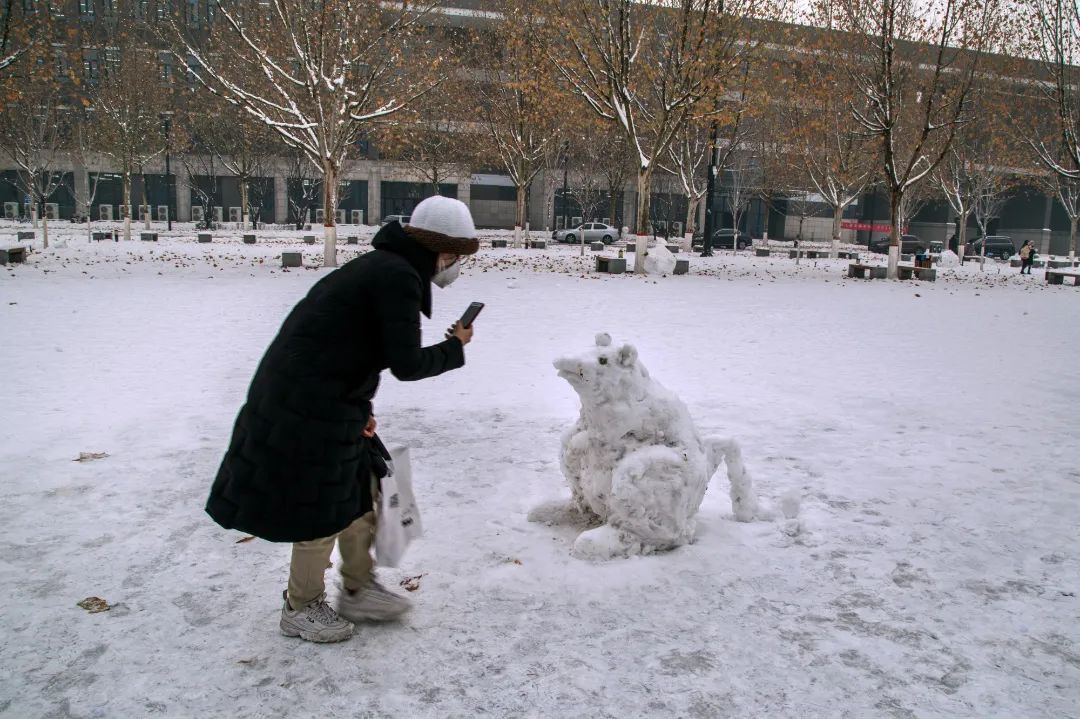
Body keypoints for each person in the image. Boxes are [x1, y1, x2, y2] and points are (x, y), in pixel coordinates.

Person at [205, 195, 480, 643]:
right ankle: (301, 606)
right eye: (455, 257)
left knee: (360, 489)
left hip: (326, 397)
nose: (454, 267)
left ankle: (357, 587)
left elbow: (351, 348)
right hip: (306, 405)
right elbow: (405, 364)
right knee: (321, 508)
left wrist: (361, 409)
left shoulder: (387, 268)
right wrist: (457, 347)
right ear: (441, 250)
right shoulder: (396, 278)